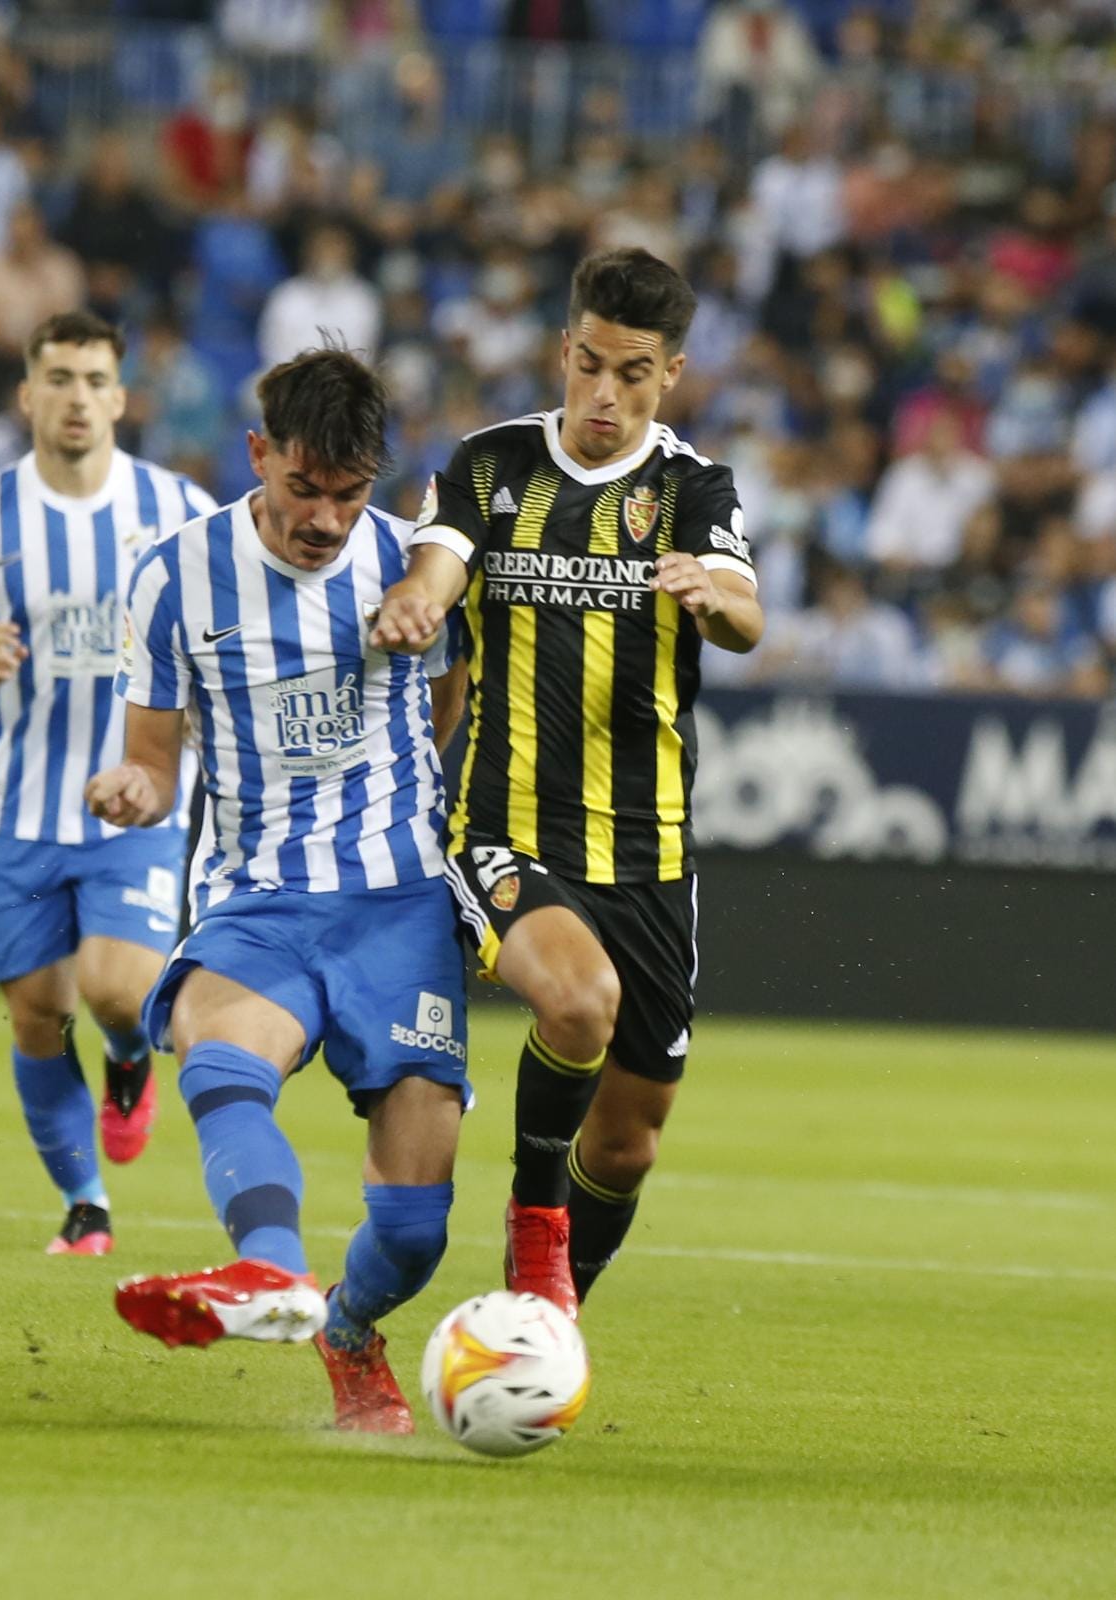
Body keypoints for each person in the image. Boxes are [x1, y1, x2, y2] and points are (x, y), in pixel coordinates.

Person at [372, 247, 764, 1321]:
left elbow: (746, 613)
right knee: (578, 1002)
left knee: (631, 1140)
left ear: (670, 373)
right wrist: (417, 598)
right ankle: (533, 1217)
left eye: (631, 373)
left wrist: (708, 597)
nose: (603, 393)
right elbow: (441, 557)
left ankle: (547, 1324)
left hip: (648, 852)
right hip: (505, 826)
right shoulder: (491, 464)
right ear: (563, 348)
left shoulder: (692, 487)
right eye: (588, 363)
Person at [85, 348, 469, 1433]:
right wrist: (134, 785)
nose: (326, 519)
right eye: (304, 488)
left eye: (348, 494)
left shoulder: (414, 564)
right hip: (258, 897)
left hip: (400, 906)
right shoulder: (175, 573)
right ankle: (269, 1272)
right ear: (259, 455)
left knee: (414, 1227)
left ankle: (349, 1325)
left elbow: (449, 707)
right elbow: (154, 761)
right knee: (221, 1052)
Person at [0, 311, 217, 1255]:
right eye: (59, 379)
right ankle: (86, 1203)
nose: (77, 398)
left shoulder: (177, 510)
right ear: (27, 394)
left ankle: (127, 1062)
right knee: (39, 1013)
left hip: (139, 801)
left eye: (94, 380)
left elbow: (228, 627)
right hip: (21, 811)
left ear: (122, 397)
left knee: (118, 994)